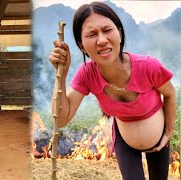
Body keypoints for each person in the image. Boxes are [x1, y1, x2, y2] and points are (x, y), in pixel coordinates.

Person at [49, 2, 176, 180]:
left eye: (107, 30)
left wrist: (168, 133)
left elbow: (169, 94)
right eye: (92, 34)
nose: (101, 40)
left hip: (159, 141)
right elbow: (61, 119)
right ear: (82, 46)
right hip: (125, 141)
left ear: (120, 34)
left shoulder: (148, 66)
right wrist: (60, 75)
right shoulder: (87, 74)